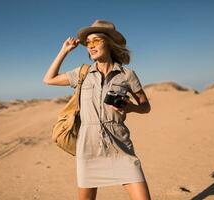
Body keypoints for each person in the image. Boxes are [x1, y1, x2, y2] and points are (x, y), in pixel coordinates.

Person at [43, 19, 151, 200]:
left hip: (120, 146)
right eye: (88, 43)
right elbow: (49, 79)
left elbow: (145, 106)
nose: (90, 46)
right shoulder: (82, 73)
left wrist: (130, 107)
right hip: (88, 147)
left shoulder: (127, 75)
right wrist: (64, 51)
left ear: (108, 43)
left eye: (96, 41)